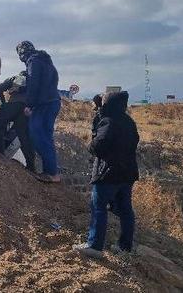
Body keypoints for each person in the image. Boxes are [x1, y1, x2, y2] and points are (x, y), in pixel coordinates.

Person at [73, 91, 139, 259]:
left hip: (109, 173)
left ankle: (94, 245)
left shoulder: (109, 121)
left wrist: (93, 139)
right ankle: (125, 246)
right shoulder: (129, 121)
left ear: (107, 104)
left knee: (99, 207)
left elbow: (97, 145)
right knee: (125, 210)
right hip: (127, 173)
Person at [16, 41, 61, 183]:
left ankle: (50, 172)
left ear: (22, 53)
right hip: (54, 101)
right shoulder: (46, 61)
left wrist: (29, 104)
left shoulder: (33, 61)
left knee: (37, 135)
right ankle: (53, 172)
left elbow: (34, 83)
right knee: (47, 137)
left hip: (43, 104)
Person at [0, 71, 36, 172]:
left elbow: (1, 87)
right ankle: (31, 166)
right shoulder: (35, 84)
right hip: (26, 110)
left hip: (14, 104)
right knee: (23, 136)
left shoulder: (16, 78)